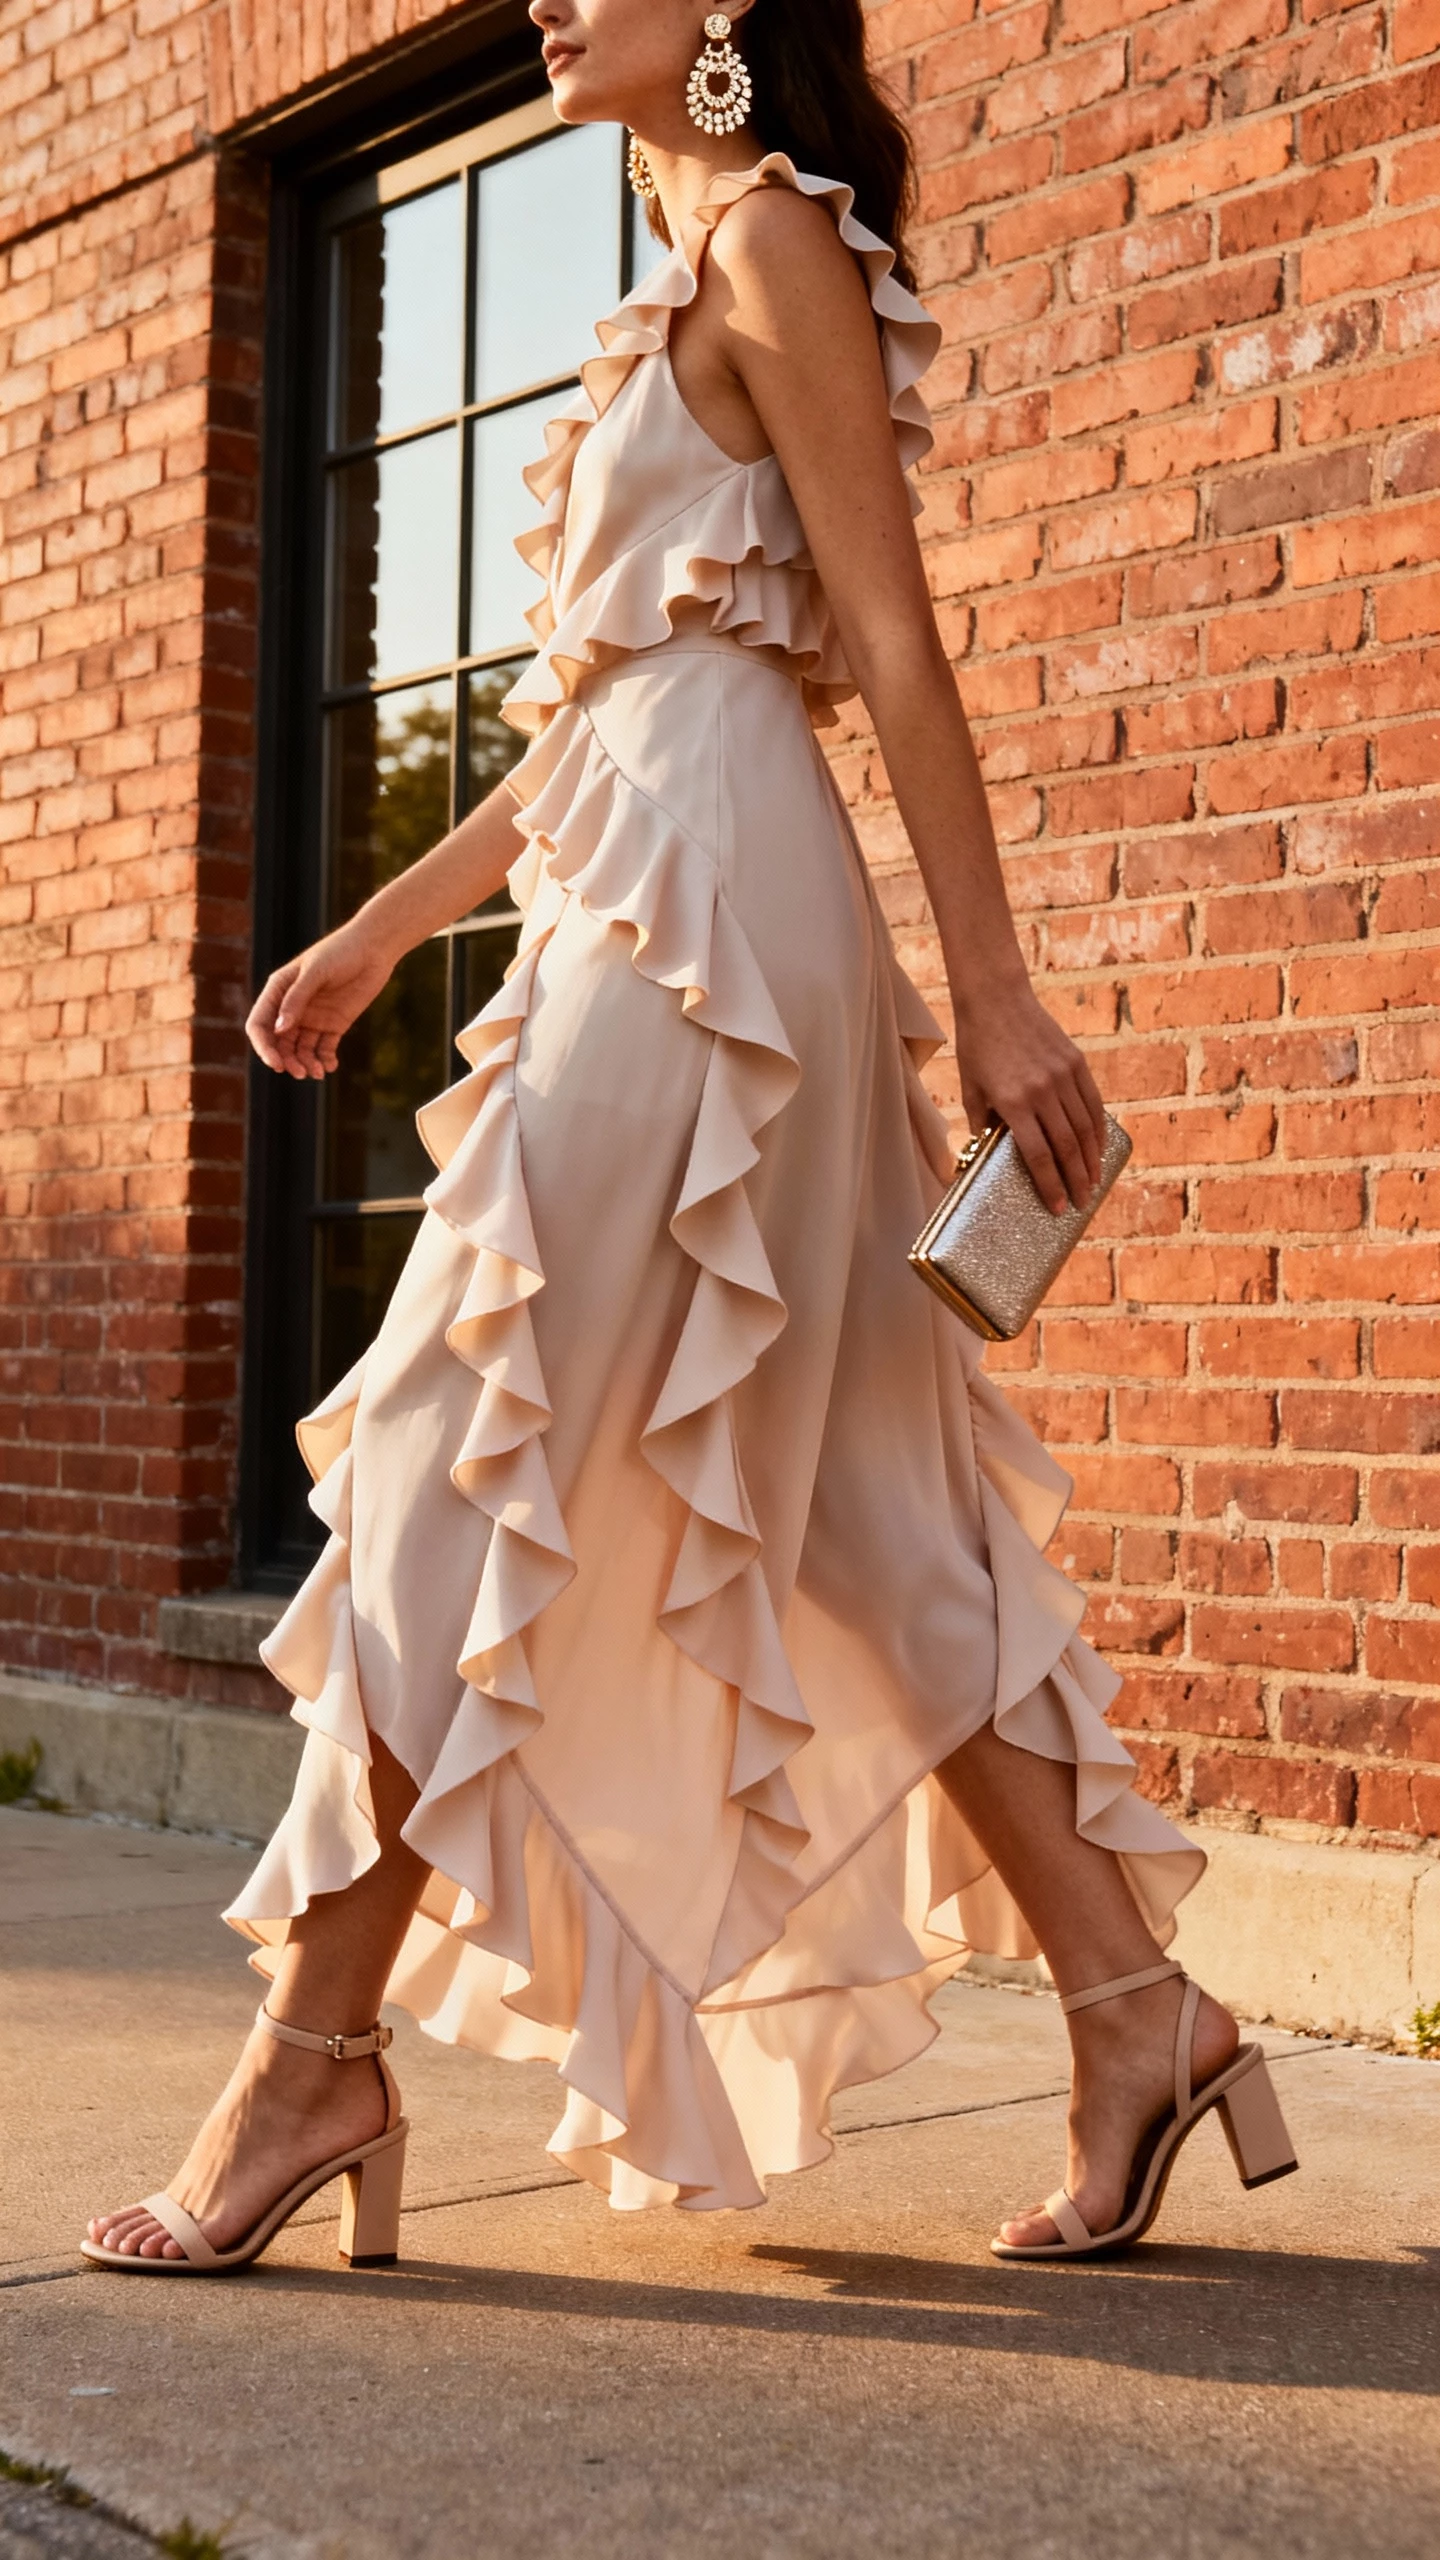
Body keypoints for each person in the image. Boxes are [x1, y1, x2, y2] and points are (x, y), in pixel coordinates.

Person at [83, 0, 1297, 2276]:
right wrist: (368, 933)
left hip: (723, 914)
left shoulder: (774, 251)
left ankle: (314, 2057)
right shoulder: (671, 277)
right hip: (646, 877)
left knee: (469, 1419)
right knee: (846, 1499)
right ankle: (1145, 2011)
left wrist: (1003, 985)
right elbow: (600, 714)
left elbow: (896, 652)